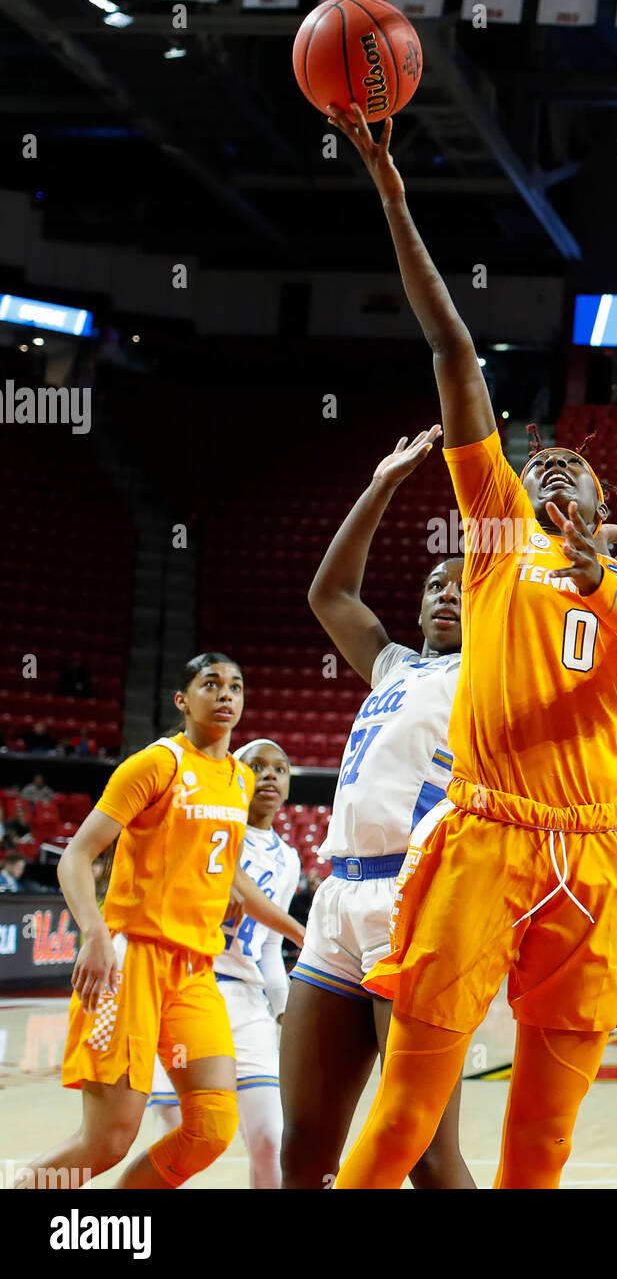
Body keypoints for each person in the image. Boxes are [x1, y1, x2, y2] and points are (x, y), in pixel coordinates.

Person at [327, 102, 617, 1192]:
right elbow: (452, 347)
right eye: (544, 464)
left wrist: (599, 583)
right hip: (487, 840)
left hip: (594, 850)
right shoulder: (492, 539)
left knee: (542, 1144)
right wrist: (391, 193)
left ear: (607, 500)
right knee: (401, 1121)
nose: (560, 467)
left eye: (581, 468)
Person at [15, 653, 305, 1191]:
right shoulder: (157, 763)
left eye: (236, 686)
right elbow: (75, 857)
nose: (225, 695)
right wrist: (96, 934)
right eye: (210, 684)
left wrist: (298, 934)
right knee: (106, 1140)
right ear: (182, 699)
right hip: (131, 962)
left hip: (194, 970)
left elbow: (235, 878)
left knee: (213, 1127)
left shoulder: (239, 781)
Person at [281, 428, 475, 1190]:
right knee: (304, 1148)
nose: (445, 592)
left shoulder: (494, 671)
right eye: (434, 583)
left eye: (464, 584)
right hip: (337, 898)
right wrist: (381, 485)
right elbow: (328, 595)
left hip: (418, 899)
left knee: (424, 1152)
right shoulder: (393, 665)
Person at [148, 738, 302, 1189]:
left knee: (271, 1140)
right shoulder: (206, 828)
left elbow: (271, 950)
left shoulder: (288, 860)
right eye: (258, 766)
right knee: (178, 1130)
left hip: (247, 1000)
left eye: (281, 769)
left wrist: (284, 1011)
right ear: (238, 775)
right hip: (191, 985)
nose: (271, 775)